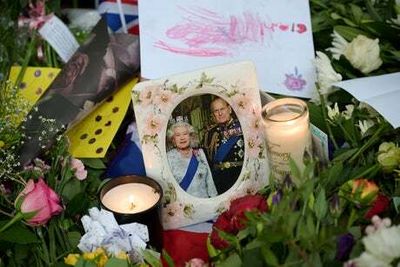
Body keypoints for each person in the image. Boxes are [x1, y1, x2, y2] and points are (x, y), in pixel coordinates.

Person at [203, 97, 244, 194]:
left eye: (222, 109)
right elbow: (207, 161)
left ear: (229, 109)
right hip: (220, 181)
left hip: (240, 176)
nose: (220, 113)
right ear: (213, 115)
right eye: (216, 111)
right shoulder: (210, 134)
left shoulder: (244, 127)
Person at [167, 120, 218, 198]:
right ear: (173, 140)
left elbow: (209, 179)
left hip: (204, 202)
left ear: (190, 136)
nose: (182, 138)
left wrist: (214, 199)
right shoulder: (168, 157)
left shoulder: (200, 153)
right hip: (184, 205)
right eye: (178, 135)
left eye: (185, 134)